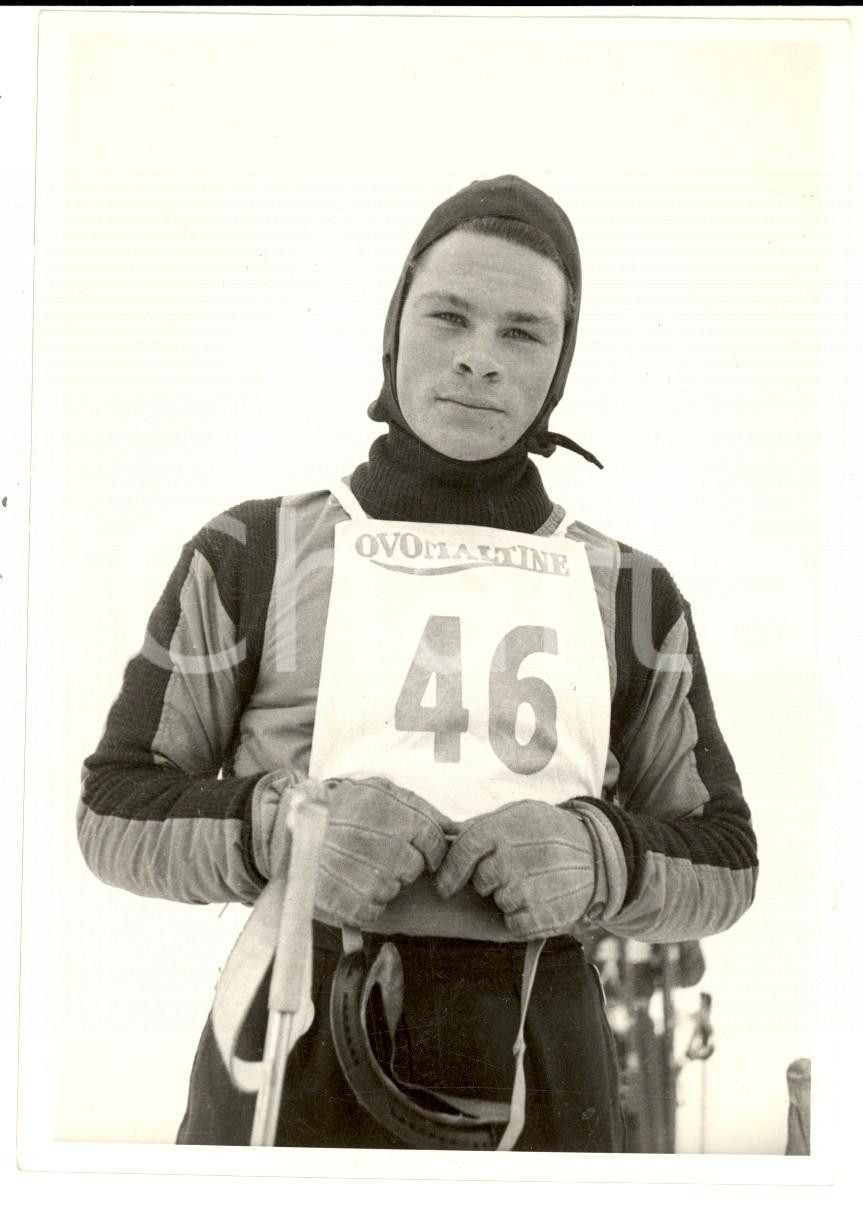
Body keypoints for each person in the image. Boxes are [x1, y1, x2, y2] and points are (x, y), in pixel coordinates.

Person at [77, 175, 758, 1152]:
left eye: (523, 332)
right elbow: (114, 809)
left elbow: (725, 855)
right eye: (449, 316)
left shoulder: (630, 592)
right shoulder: (251, 552)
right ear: (396, 328)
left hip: (544, 1064)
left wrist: (593, 856)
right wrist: (285, 832)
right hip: (292, 1051)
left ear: (561, 363)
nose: (478, 359)